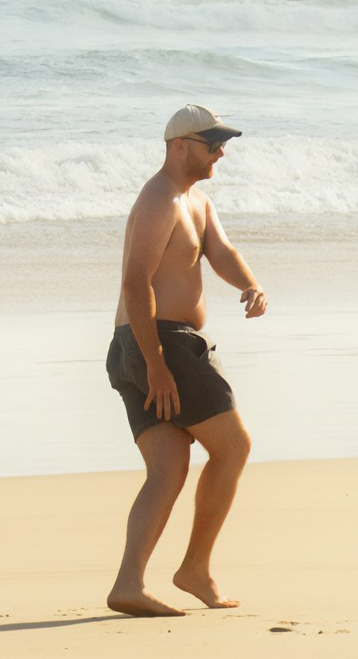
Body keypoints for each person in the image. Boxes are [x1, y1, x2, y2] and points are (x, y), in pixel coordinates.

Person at [105, 106, 267, 617]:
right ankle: (194, 568)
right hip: (162, 344)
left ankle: (128, 584)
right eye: (211, 142)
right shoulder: (159, 200)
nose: (221, 151)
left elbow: (221, 252)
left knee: (168, 468)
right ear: (179, 145)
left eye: (223, 143)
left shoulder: (196, 202)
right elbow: (135, 283)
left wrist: (251, 285)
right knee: (234, 446)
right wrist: (156, 362)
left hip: (141, 345)